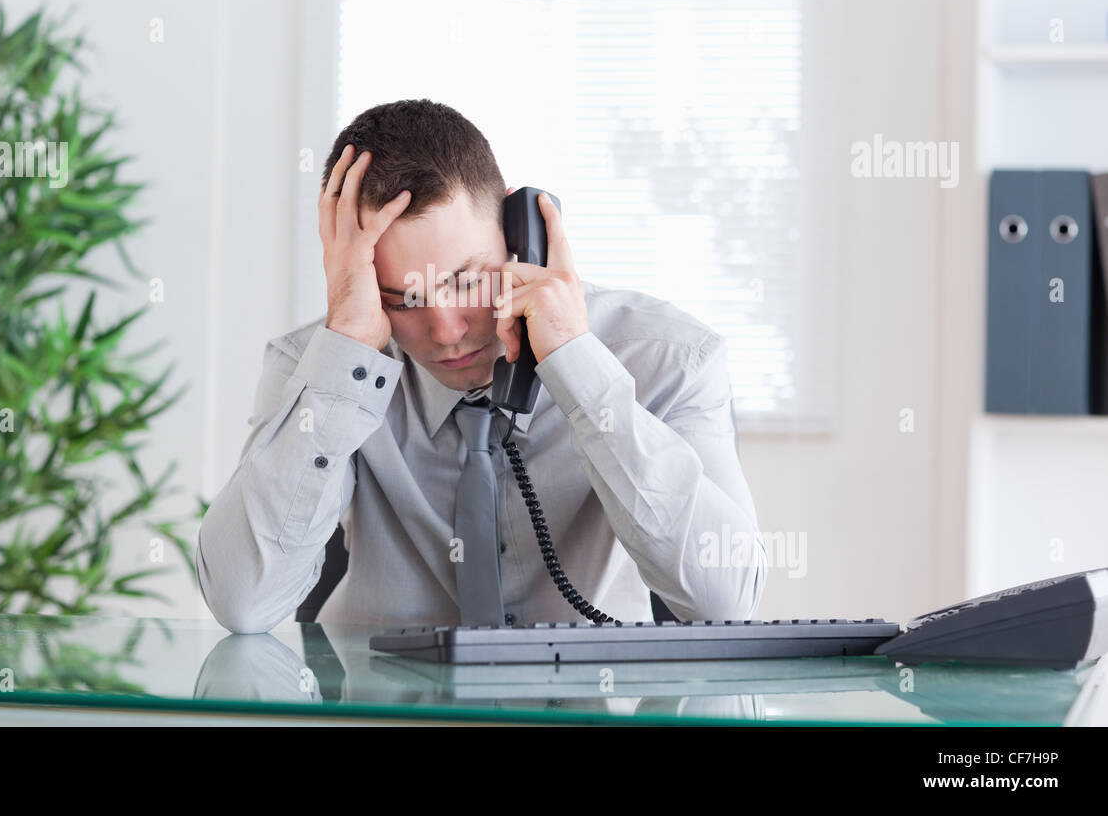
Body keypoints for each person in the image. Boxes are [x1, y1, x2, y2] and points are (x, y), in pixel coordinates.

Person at [196, 99, 767, 633]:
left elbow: (726, 601)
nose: (445, 331)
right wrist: (343, 361)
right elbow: (244, 605)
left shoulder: (670, 358)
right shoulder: (313, 366)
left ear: (522, 235)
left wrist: (577, 368)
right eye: (403, 298)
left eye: (468, 279)